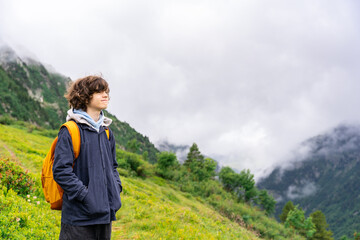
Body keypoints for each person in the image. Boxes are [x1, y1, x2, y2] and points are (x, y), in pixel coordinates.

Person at [53, 75, 122, 240]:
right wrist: (86, 196)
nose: (105, 95)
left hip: (105, 214)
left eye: (106, 91)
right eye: (99, 91)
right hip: (79, 217)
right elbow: (61, 171)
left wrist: (116, 189)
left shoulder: (106, 131)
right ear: (84, 96)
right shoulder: (70, 130)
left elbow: (112, 166)